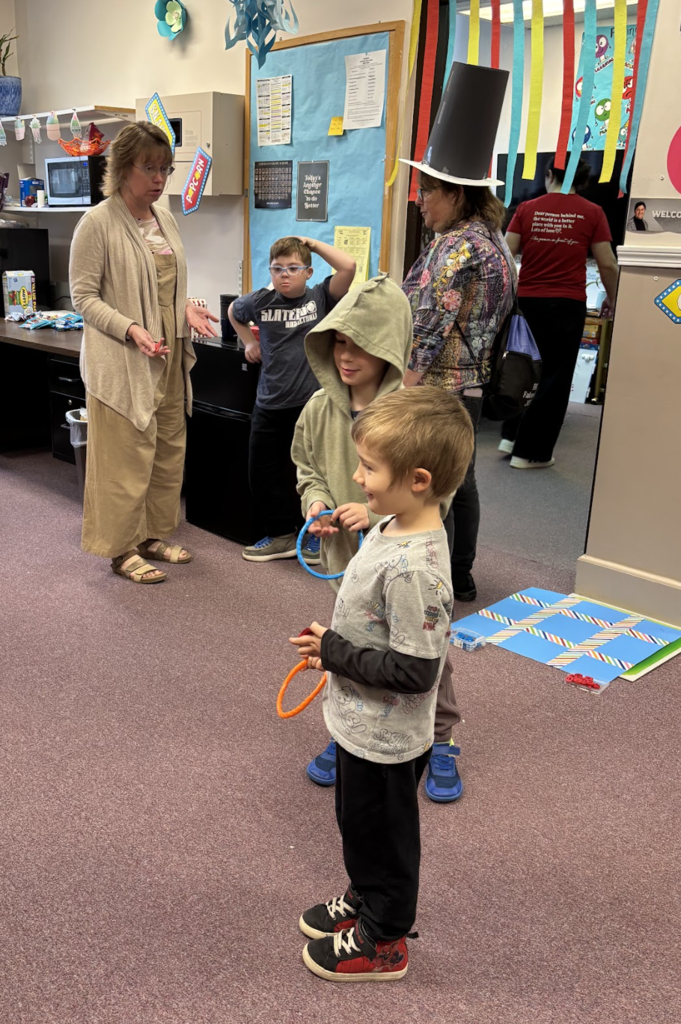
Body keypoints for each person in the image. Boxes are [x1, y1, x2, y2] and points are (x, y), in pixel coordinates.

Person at [289, 386, 475, 982]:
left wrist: (334, 651)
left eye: (370, 468)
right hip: (359, 723)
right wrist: (371, 513)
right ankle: (365, 897)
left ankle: (386, 938)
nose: (356, 475)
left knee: (385, 839)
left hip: (388, 737)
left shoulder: (417, 569)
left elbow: (418, 672)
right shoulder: (398, 520)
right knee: (358, 824)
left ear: (419, 480)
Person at [292, 274, 465, 803]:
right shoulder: (318, 408)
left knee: (420, 647)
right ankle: (351, 731)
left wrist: (374, 519)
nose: (346, 356)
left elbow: (439, 490)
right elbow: (307, 467)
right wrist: (317, 505)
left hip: (403, 556)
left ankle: (439, 739)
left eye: (361, 344)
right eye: (339, 342)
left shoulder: (414, 415)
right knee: (354, 639)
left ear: (390, 346)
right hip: (346, 561)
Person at [70, 122, 219, 583]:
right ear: (121, 168)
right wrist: (130, 328)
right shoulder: (97, 223)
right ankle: (120, 548)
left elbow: (169, 287)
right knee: (125, 455)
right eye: (149, 168)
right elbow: (83, 298)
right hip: (122, 359)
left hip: (168, 352)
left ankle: (152, 534)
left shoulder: (165, 218)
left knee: (166, 448)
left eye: (165, 169)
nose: (159, 179)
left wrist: (186, 313)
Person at [401, 173, 516, 602]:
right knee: (461, 483)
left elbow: (429, 326)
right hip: (473, 383)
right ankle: (460, 574)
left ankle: (435, 586)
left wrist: (401, 386)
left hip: (438, 386)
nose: (420, 201)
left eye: (427, 192)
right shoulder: (493, 239)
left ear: (457, 194)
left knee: (434, 489)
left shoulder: (457, 247)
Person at [228, 236, 355, 563]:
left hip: (311, 405)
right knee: (263, 472)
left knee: (314, 472)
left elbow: (349, 266)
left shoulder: (321, 296)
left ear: (308, 271)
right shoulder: (260, 300)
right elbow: (233, 312)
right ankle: (282, 535)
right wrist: (247, 343)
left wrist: (311, 243)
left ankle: (315, 535)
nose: (284, 275)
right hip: (269, 402)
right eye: (277, 269)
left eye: (293, 268)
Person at [501, 156, 619, 468]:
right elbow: (607, 263)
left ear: (549, 174)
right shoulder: (593, 212)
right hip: (566, 305)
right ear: (583, 180)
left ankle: (510, 437)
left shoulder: (527, 209)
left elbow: (504, 254)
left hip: (526, 302)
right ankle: (530, 453)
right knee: (554, 378)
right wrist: (612, 296)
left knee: (522, 367)